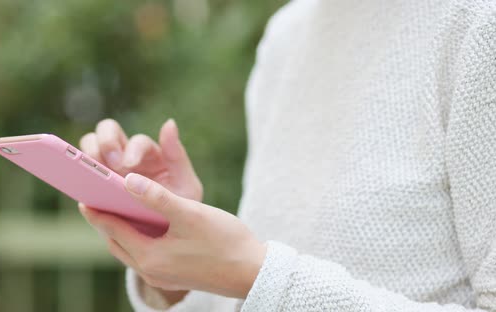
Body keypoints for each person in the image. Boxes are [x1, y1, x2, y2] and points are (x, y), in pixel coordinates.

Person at [78, 0, 496, 311]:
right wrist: (181, 259)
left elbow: (270, 281)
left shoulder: (477, 24)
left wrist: (254, 271)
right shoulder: (286, 36)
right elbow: (261, 294)